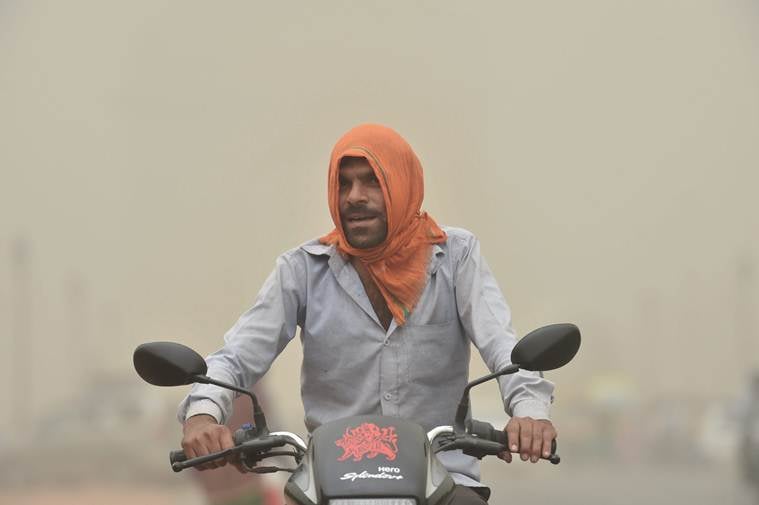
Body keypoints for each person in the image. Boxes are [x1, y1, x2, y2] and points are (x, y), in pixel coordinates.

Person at [178, 124, 557, 504]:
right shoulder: (302, 270)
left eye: (372, 181)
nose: (354, 196)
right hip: (331, 481)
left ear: (402, 184)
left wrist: (530, 413)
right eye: (343, 184)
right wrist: (203, 415)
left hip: (442, 479)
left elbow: (504, 348)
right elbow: (237, 356)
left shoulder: (456, 257)